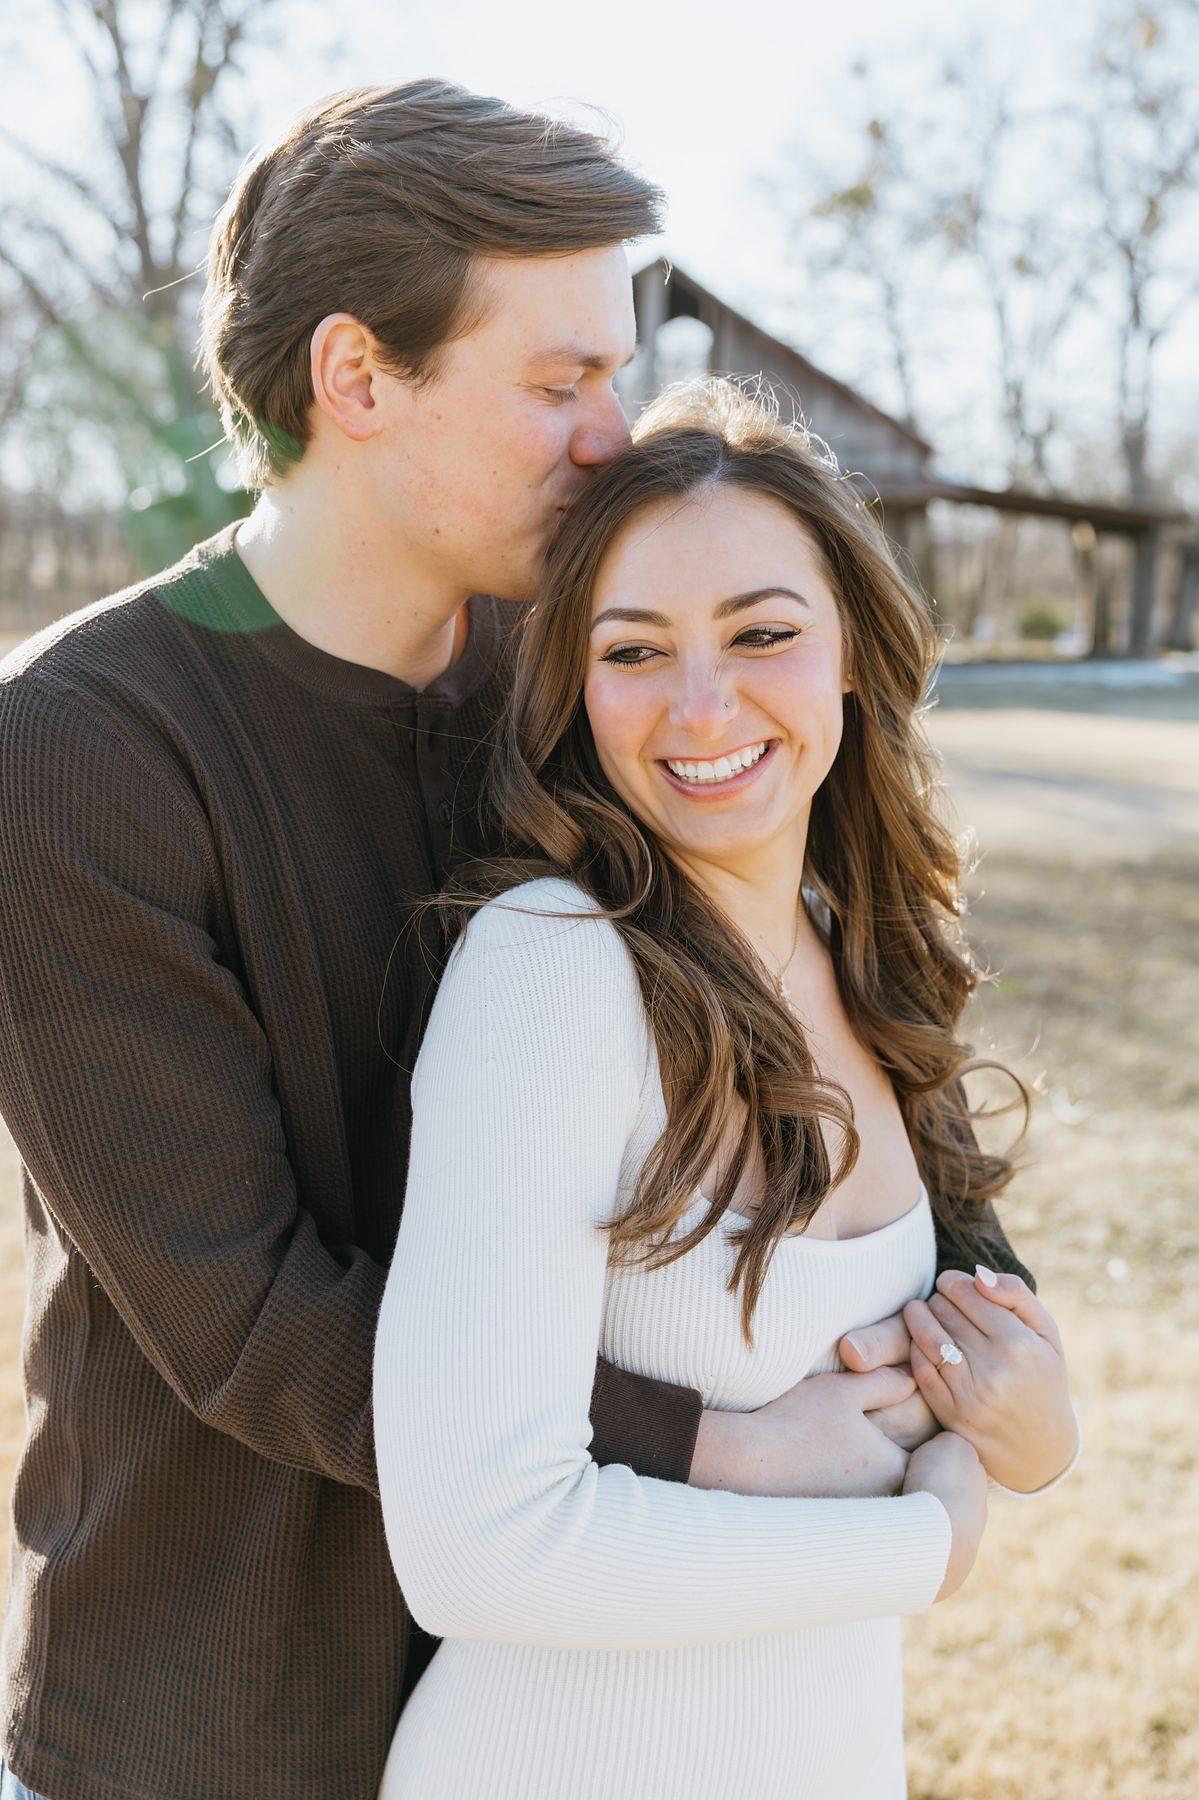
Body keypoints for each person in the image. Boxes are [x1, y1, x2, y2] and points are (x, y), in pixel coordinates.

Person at [0, 77, 1052, 1800]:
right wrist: (704, 1449)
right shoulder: (79, 752)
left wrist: (986, 1324)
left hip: (573, 1695)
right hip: (219, 1707)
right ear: (357, 378)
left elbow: (804, 980)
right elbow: (246, 1309)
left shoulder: (578, 681)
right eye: (561, 381)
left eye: (617, 374)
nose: (610, 433)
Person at [372, 376, 1083, 1798]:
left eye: (762, 633)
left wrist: (1038, 1429)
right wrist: (921, 1543)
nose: (701, 709)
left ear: (852, 657)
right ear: (577, 685)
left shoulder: (869, 960)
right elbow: (473, 1544)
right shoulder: (553, 971)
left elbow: (985, 1373)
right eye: (636, 651)